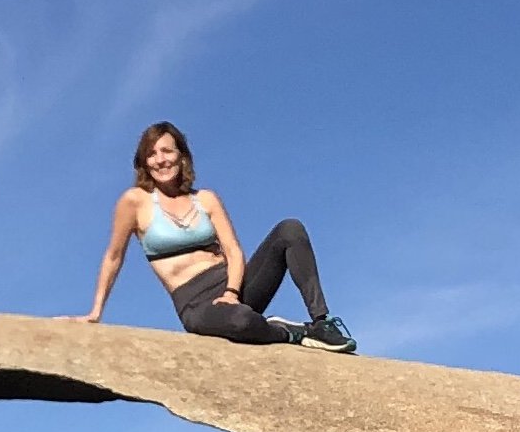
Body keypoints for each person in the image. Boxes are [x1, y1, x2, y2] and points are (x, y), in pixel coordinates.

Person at [66, 121, 356, 353]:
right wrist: (95, 312)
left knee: (289, 229)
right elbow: (113, 256)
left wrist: (232, 292)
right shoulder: (135, 201)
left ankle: (322, 322)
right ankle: (290, 332)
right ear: (144, 162)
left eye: (167, 151)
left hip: (234, 287)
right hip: (196, 304)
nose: (160, 160)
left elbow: (233, 251)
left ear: (181, 155)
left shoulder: (206, 199)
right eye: (151, 154)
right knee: (242, 322)